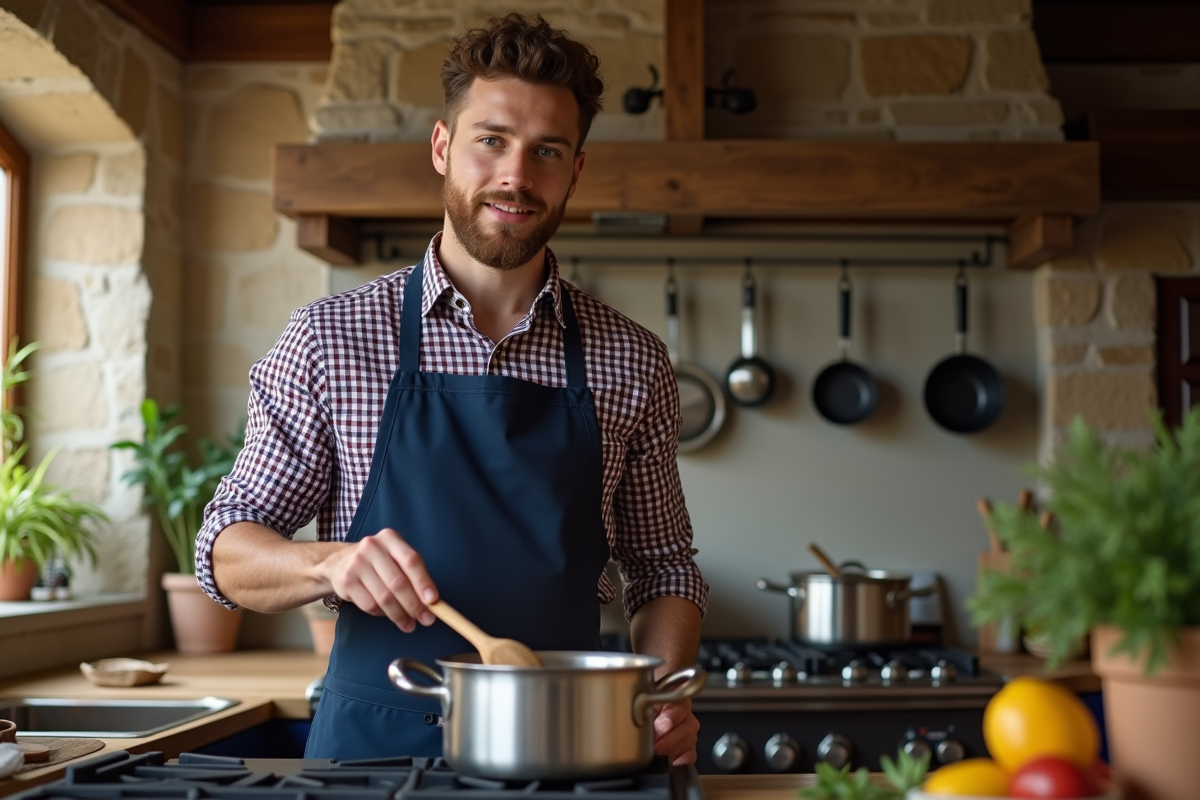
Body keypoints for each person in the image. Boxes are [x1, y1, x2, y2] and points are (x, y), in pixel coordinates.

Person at [195, 12, 708, 765]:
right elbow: (226, 549)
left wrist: (659, 698)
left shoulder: (629, 360)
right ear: (443, 146)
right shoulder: (331, 338)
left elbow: (663, 566)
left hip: (565, 750)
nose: (516, 176)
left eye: (547, 151)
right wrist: (326, 563)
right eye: (492, 140)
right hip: (369, 754)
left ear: (576, 170)